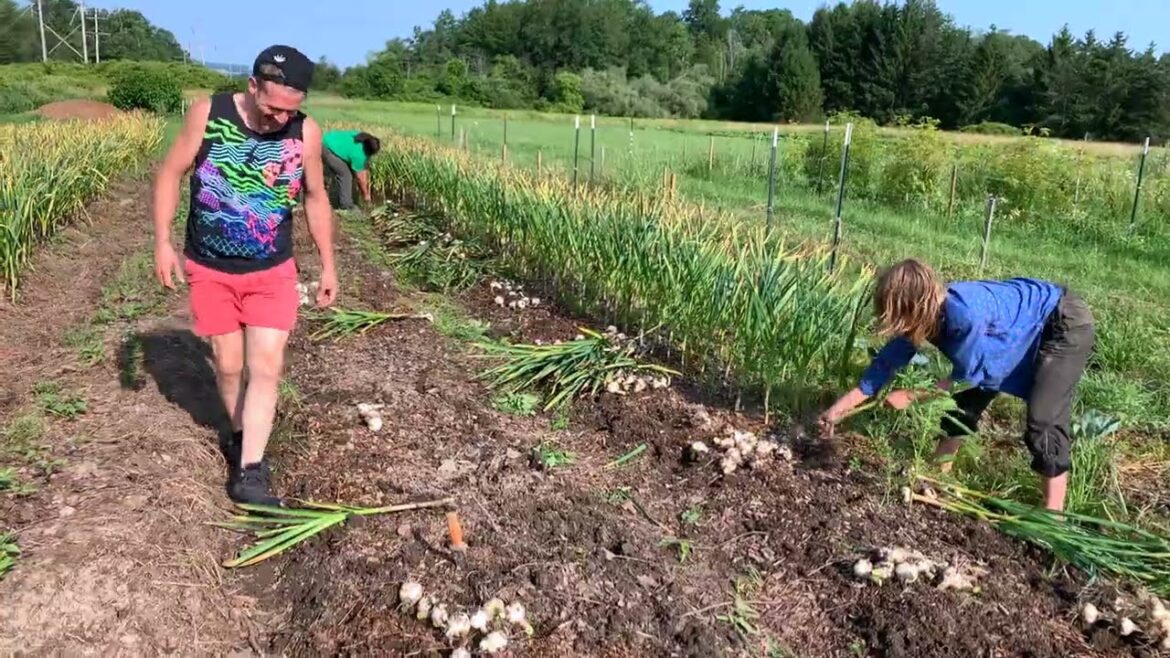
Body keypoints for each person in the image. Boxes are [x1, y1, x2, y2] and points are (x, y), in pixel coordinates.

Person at [152, 44, 338, 506]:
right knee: (230, 366)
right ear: (252, 85)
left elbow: (315, 197)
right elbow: (171, 173)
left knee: (267, 366)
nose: (280, 117)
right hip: (210, 268)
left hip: (272, 269)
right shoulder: (208, 114)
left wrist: (329, 262)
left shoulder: (305, 132)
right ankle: (237, 434)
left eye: (290, 109)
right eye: (272, 105)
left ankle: (251, 471)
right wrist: (161, 241)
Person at [817, 259, 1095, 512]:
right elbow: (883, 368)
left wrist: (913, 395)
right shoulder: (922, 318)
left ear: (916, 305)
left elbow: (968, 375)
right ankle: (939, 476)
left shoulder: (963, 316)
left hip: (1061, 323)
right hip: (1012, 328)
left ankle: (1053, 514)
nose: (899, 327)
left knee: (1044, 417)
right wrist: (835, 412)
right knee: (962, 404)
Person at [322, 129, 380, 209]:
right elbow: (360, 178)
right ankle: (346, 205)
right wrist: (366, 195)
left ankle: (338, 196)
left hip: (328, 139)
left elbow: (363, 169)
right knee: (346, 174)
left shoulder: (363, 137)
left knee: (346, 171)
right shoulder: (358, 155)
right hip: (326, 148)